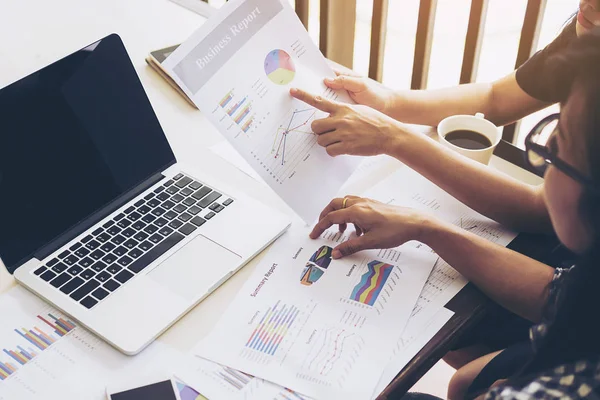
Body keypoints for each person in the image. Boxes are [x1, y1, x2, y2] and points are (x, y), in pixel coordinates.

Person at [287, 0, 600, 395]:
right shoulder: (589, 36)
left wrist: (394, 138)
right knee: (465, 379)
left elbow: (542, 211)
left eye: (558, 144)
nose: (588, 6)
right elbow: (496, 98)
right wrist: (390, 104)